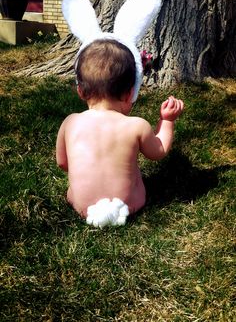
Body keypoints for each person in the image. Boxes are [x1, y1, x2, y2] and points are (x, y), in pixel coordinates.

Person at [56, 39, 184, 227]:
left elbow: (63, 163)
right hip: (128, 206)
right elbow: (159, 151)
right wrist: (167, 120)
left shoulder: (70, 122)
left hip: (82, 207)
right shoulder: (136, 125)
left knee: (72, 190)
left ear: (81, 91)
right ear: (128, 93)